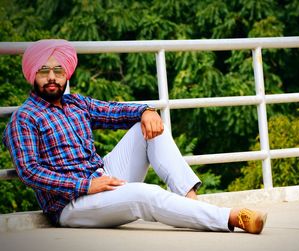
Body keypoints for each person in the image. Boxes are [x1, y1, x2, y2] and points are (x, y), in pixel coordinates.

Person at [2, 39, 267, 234]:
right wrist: (85, 186)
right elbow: (30, 172)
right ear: (32, 74)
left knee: (152, 129)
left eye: (58, 71)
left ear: (66, 74)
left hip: (103, 176)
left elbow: (114, 111)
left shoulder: (76, 104)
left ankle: (191, 205)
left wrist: (146, 111)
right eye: (44, 71)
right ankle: (231, 218)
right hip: (72, 204)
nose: (51, 77)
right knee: (144, 194)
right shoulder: (24, 118)